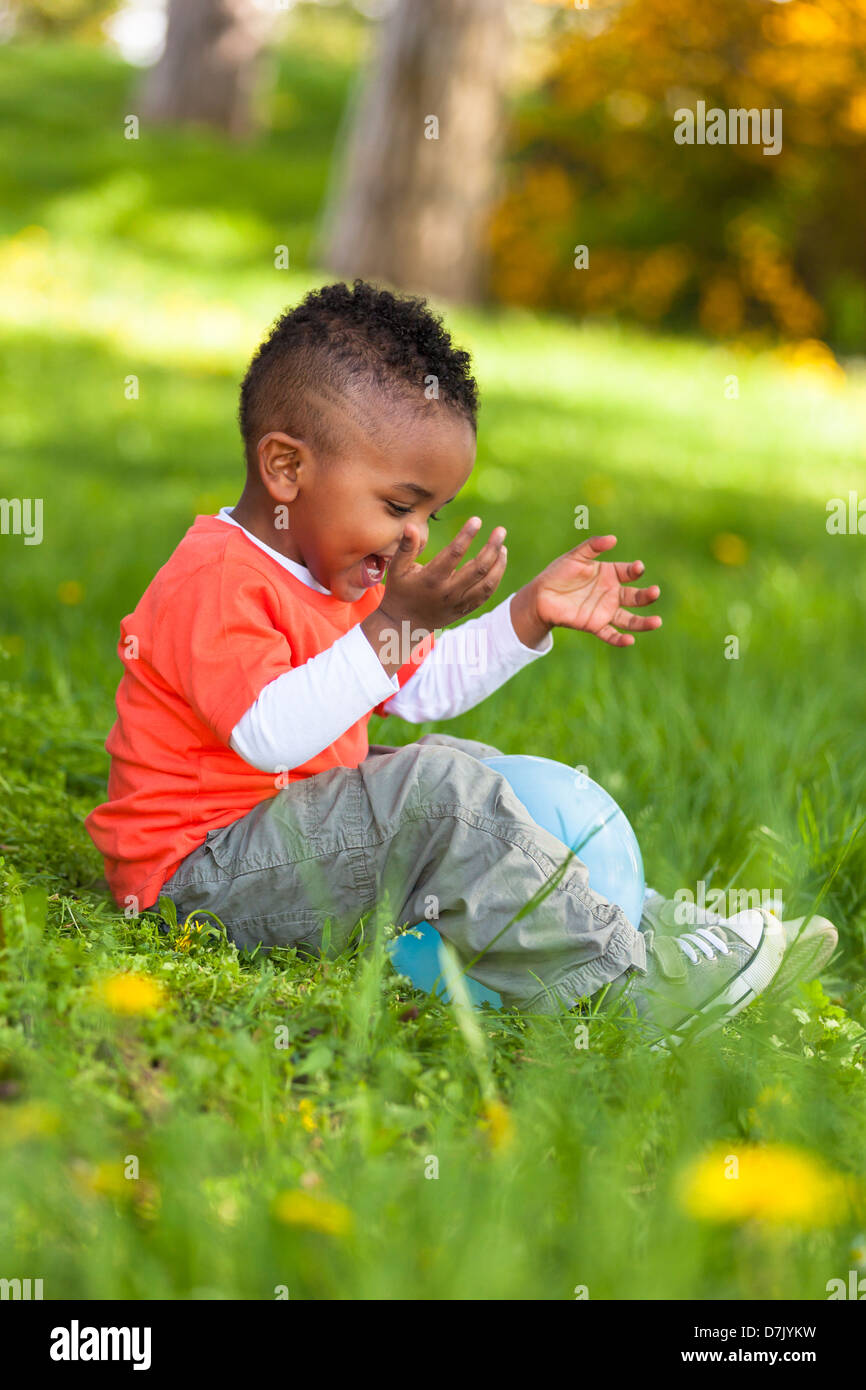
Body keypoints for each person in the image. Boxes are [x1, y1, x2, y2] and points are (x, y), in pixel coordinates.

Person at [85, 280, 836, 1041]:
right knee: (437, 790)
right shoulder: (218, 578)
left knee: (459, 764)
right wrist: (396, 624)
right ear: (285, 468)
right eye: (397, 505)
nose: (414, 537)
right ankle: (637, 987)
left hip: (279, 845)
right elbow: (268, 734)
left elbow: (426, 685)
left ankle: (649, 928)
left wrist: (527, 615)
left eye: (431, 515)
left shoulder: (331, 571)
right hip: (201, 880)